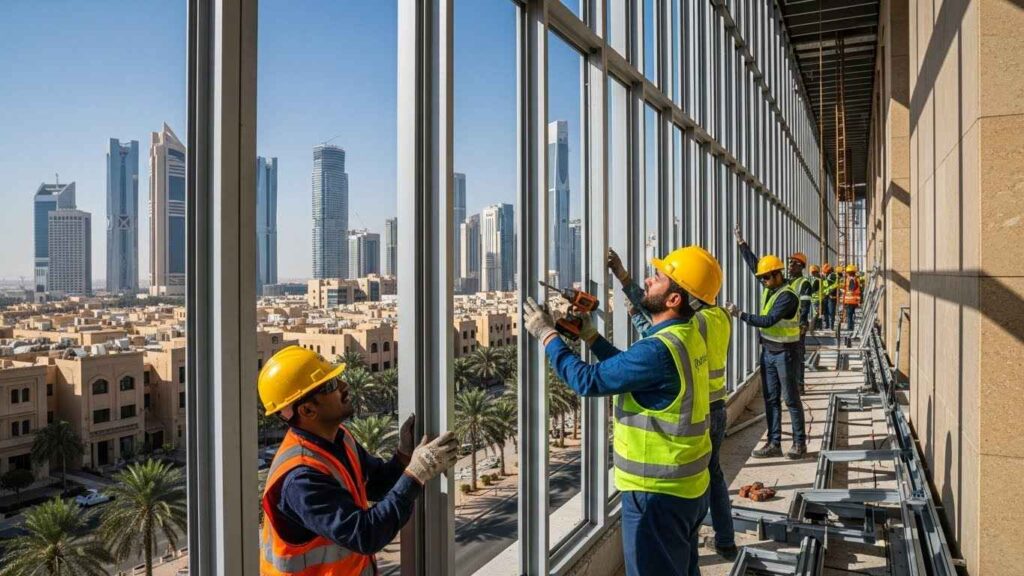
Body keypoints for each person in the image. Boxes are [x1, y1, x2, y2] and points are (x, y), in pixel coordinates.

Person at [523, 245, 719, 576]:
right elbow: (632, 369)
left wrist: (547, 335)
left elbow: (587, 381)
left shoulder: (658, 350)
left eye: (657, 278)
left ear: (674, 299)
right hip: (689, 488)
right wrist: (592, 337)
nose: (647, 280)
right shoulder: (688, 335)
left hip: (657, 496)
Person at [258, 345, 459, 576]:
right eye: (331, 385)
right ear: (308, 410)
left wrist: (404, 456)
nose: (344, 387)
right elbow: (366, 535)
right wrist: (417, 472)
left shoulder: (340, 440)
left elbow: (379, 485)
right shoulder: (300, 478)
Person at [606, 247, 737, 560]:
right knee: (712, 474)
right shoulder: (719, 317)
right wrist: (625, 279)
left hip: (696, 409)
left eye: (664, 278)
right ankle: (725, 540)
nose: (654, 282)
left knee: (706, 476)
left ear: (682, 296)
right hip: (717, 405)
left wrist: (632, 298)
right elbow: (660, 306)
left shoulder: (692, 325)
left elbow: (659, 326)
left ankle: (706, 536)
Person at [726, 226, 807, 460]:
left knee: (790, 398)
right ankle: (774, 443)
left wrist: (739, 314)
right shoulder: (770, 286)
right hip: (768, 352)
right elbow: (755, 266)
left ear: (778, 274)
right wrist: (742, 244)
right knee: (770, 399)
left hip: (785, 353)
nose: (763, 281)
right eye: (762, 278)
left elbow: (769, 320)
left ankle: (799, 443)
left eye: (767, 277)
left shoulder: (788, 296)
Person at [786, 253, 812, 395]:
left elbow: (805, 305)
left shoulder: (804, 283)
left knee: (798, 356)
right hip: (787, 328)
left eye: (793, 263)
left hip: (797, 328)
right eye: (790, 263)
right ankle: (792, 386)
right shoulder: (788, 282)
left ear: (800, 266)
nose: (790, 266)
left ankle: (799, 386)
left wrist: (802, 324)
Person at [842, 264, 862, 332]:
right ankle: (851, 327)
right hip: (854, 300)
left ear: (849, 273)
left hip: (850, 301)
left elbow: (851, 288)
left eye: (847, 273)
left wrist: (845, 290)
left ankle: (850, 328)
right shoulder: (855, 279)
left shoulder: (851, 279)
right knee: (851, 314)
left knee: (849, 315)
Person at [821, 263, 838, 330]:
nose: (825, 273)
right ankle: (827, 325)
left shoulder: (833, 275)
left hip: (831, 296)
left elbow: (827, 284)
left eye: (826, 272)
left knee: (831, 311)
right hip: (826, 295)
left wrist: (823, 279)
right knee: (825, 311)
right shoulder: (827, 276)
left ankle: (831, 325)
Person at [808, 265, 823, 331]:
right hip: (817, 299)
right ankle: (816, 326)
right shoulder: (818, 280)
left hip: (814, 299)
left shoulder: (813, 280)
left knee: (815, 313)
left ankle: (813, 326)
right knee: (817, 313)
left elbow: (812, 290)